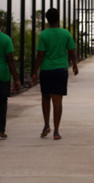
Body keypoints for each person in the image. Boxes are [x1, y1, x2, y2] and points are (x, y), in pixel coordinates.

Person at [32, 8, 78, 140]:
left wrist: (35, 71)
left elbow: (40, 54)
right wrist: (74, 65)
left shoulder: (44, 34)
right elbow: (72, 51)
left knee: (46, 98)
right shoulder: (65, 33)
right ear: (58, 19)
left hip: (46, 70)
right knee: (57, 100)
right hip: (61, 70)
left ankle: (46, 124)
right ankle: (56, 131)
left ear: (47, 20)